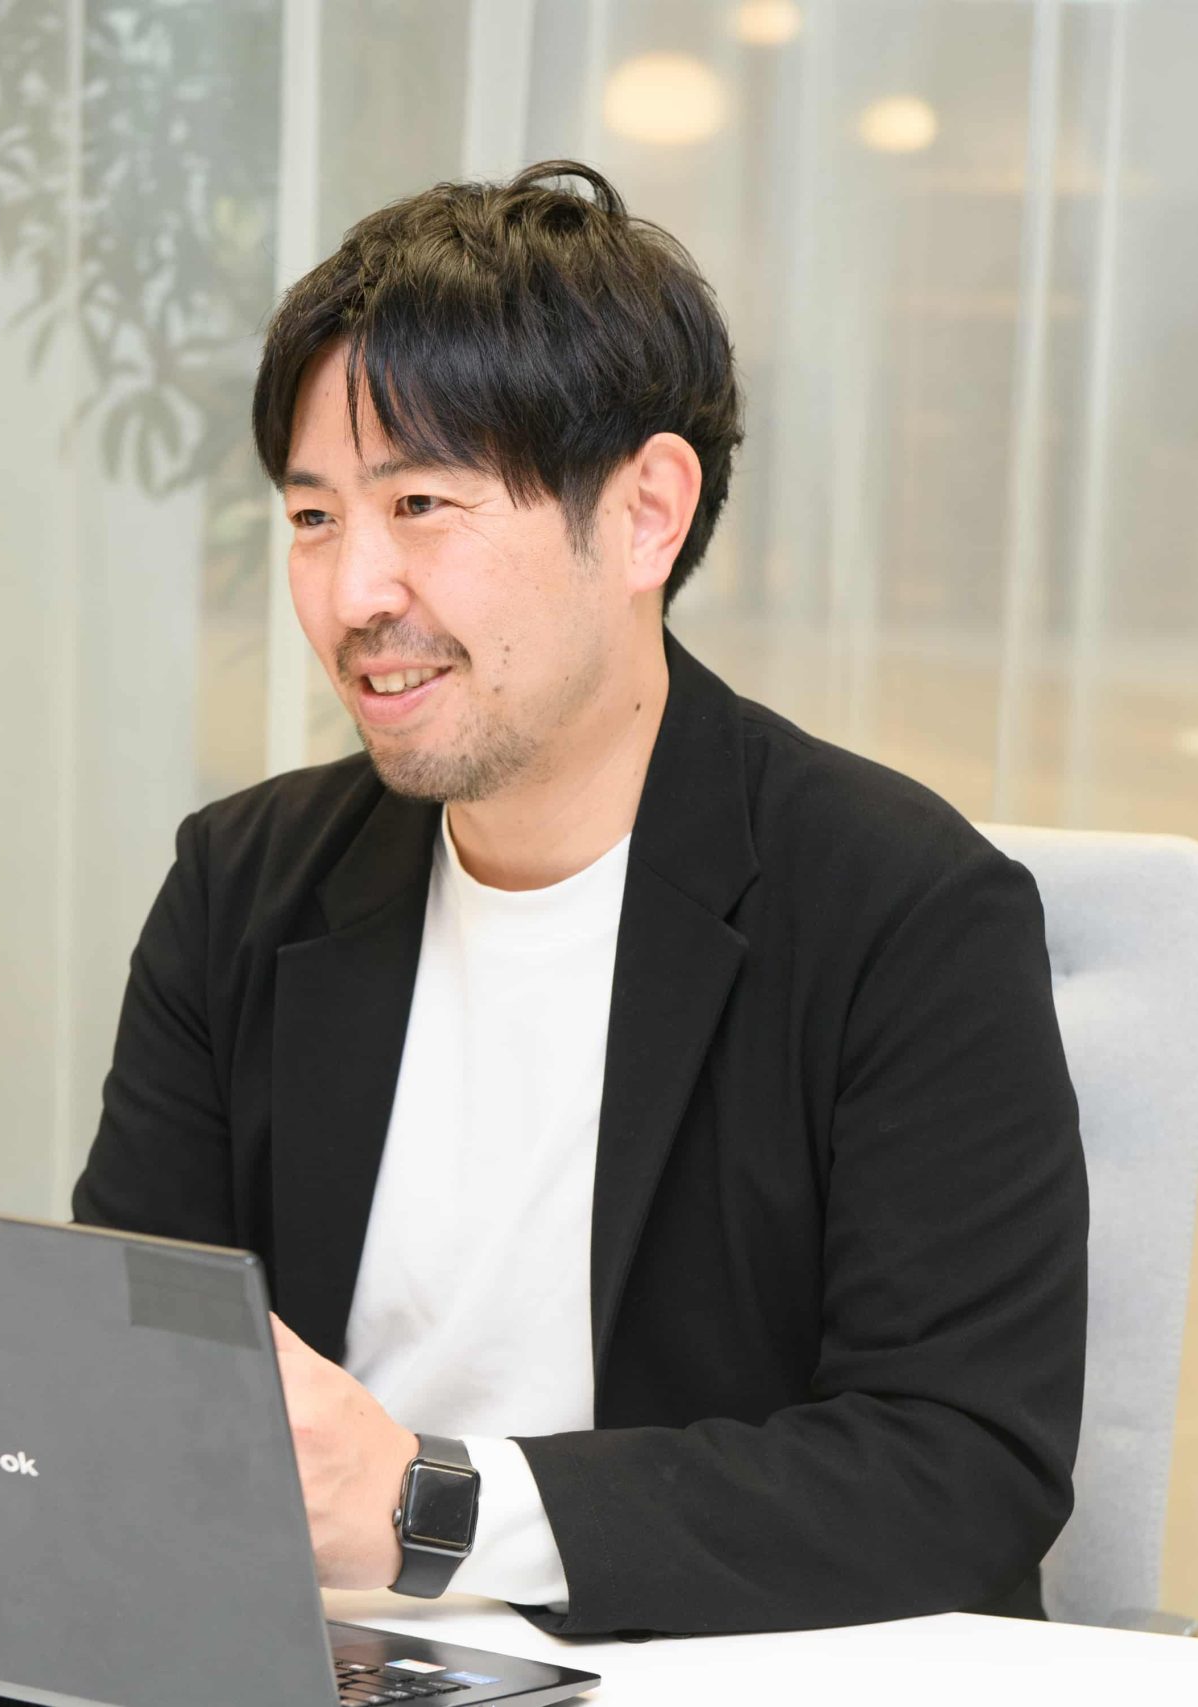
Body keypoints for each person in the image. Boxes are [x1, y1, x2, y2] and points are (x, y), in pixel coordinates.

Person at [72, 160, 1086, 1639]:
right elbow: (130, 1363)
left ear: (644, 514)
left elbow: (961, 1464)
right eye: (313, 517)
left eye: (421, 503)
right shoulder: (241, 888)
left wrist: (432, 1507)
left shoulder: (904, 911)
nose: (354, 594)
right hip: (316, 1658)